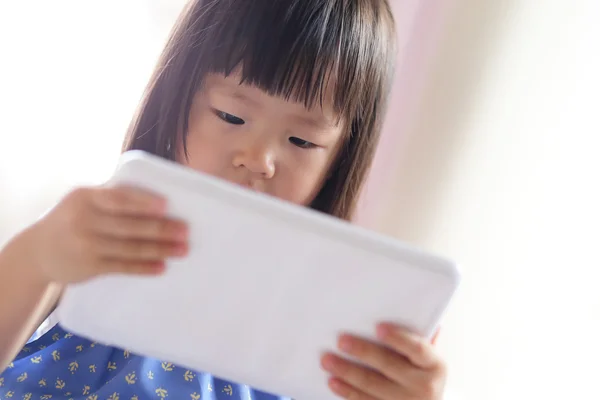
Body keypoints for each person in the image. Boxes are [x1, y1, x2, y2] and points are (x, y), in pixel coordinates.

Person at [0, 0, 447, 399]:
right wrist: (36, 257)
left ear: (339, 163)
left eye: (302, 140)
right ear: (175, 96)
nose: (258, 159)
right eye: (231, 115)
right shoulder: (100, 233)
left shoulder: (333, 318)